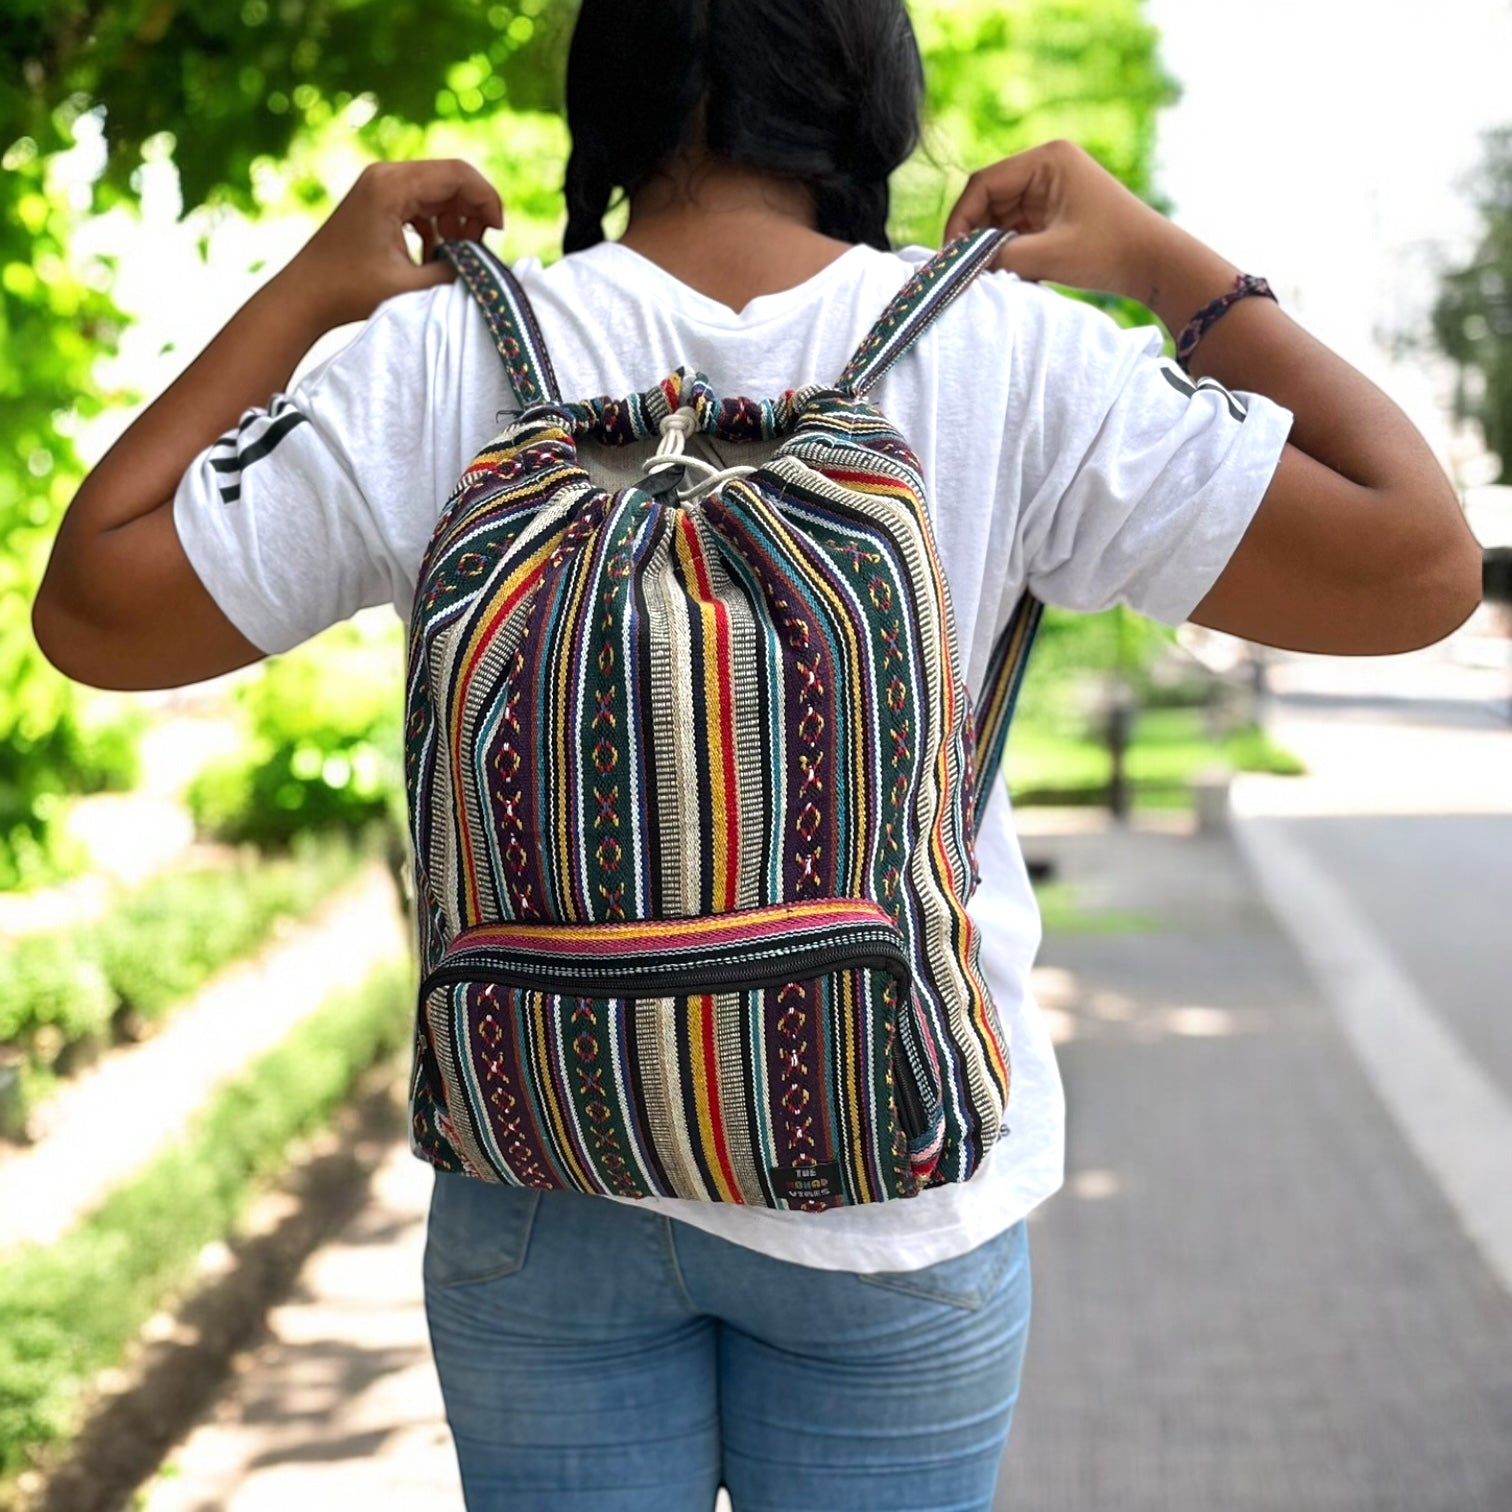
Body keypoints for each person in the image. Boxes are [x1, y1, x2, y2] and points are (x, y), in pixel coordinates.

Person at [33, 1, 1481, 1508]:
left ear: (610, 92)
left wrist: (309, 291)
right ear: (872, 92)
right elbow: (1420, 563)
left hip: (547, 1152)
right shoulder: (1013, 352)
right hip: (895, 1183)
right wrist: (1166, 266)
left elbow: (94, 610)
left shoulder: (435, 354)